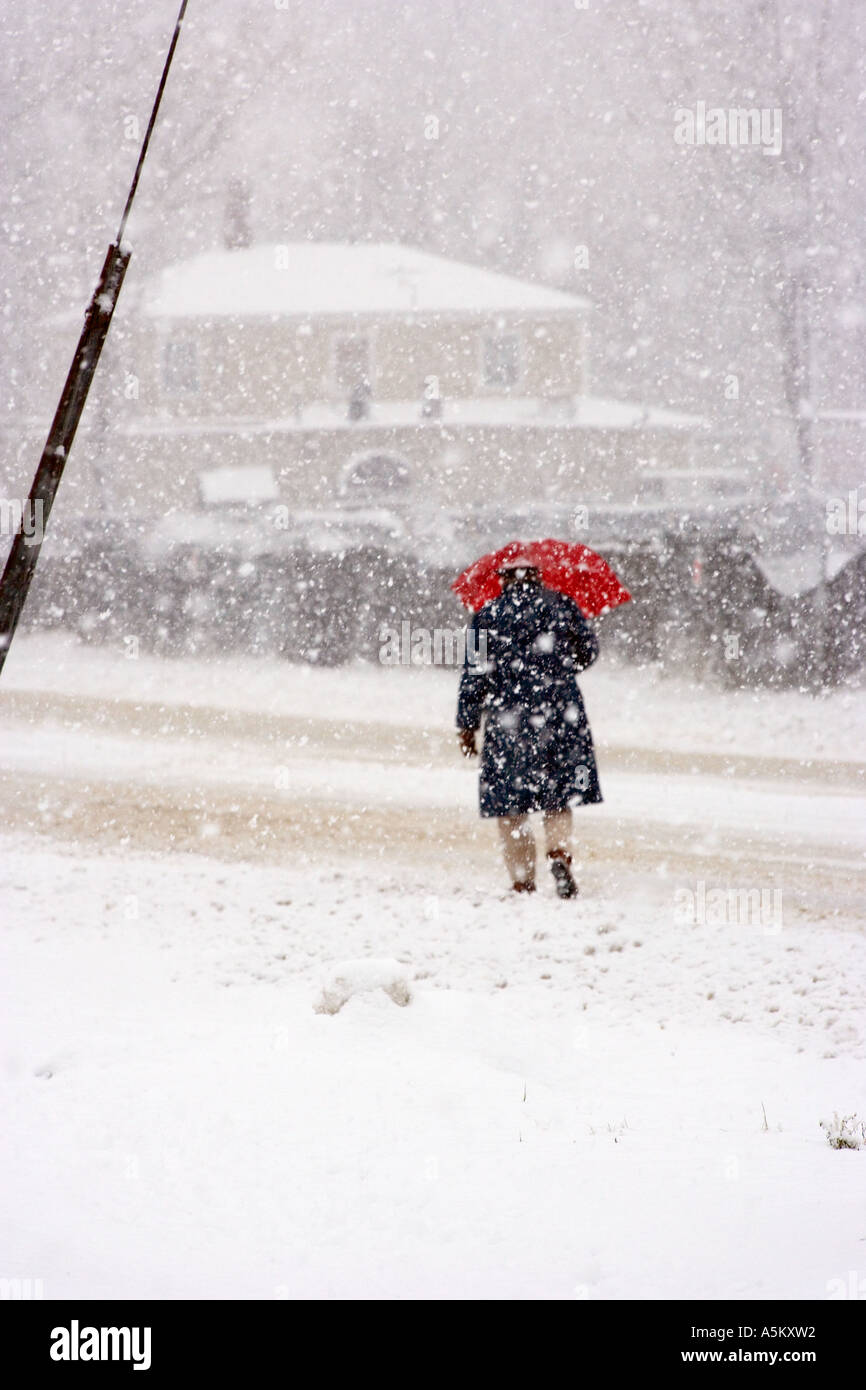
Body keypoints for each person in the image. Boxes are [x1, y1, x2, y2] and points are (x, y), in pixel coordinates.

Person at [456, 558, 601, 897]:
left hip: (509, 718)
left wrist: (466, 723)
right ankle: (559, 852)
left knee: (510, 804)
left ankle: (522, 881)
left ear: (502, 578)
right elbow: (589, 652)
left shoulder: (488, 615)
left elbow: (474, 674)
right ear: (537, 575)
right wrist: (561, 665)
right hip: (561, 712)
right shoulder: (562, 605)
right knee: (559, 793)